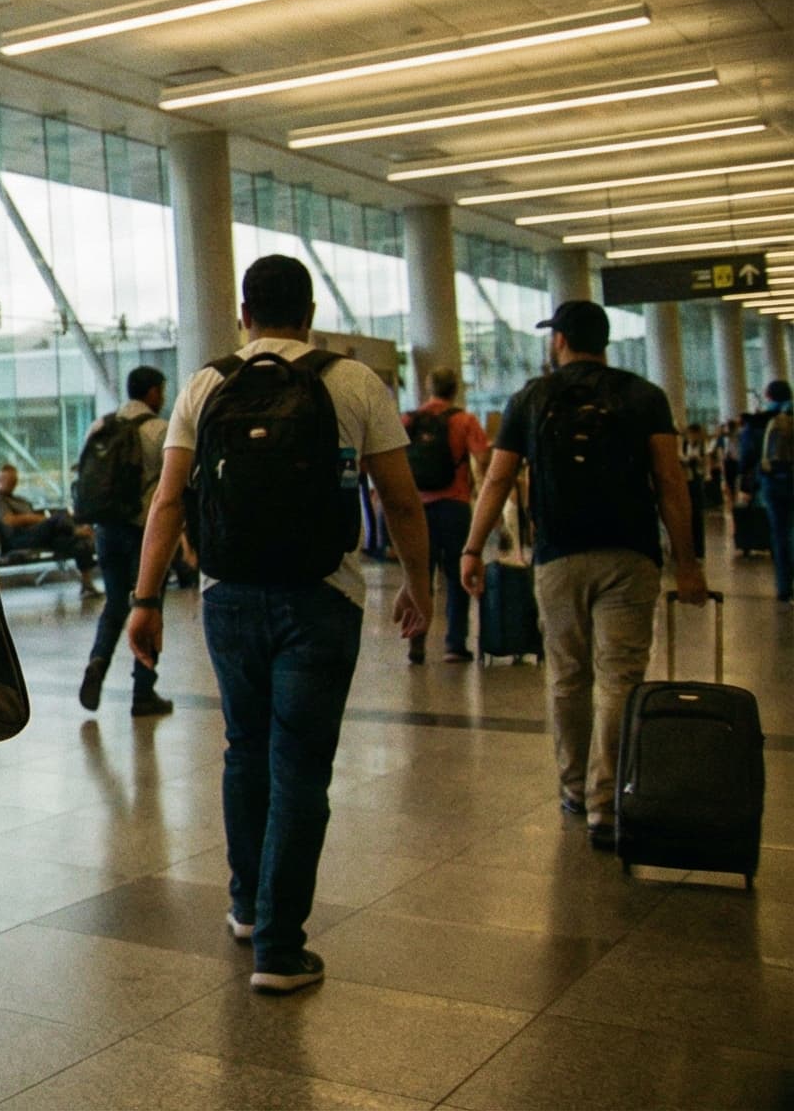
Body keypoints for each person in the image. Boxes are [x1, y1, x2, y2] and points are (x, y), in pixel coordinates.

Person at [129, 255, 428, 998]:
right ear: (310, 309)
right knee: (300, 767)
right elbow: (402, 500)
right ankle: (280, 946)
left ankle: (244, 905)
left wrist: (144, 600)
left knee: (245, 751)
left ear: (243, 311)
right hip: (322, 597)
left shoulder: (206, 383)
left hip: (230, 598)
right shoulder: (354, 381)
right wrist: (421, 586)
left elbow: (168, 503)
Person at [458, 300, 706, 846]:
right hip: (630, 555)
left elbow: (497, 481)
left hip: (559, 557)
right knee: (620, 676)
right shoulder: (644, 396)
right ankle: (606, 800)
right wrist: (687, 564)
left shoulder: (532, 397)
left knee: (569, 677)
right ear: (606, 341)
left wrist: (472, 549)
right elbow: (669, 482)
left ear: (561, 340)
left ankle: (573, 787)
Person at [76, 366, 172, 718]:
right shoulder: (160, 431)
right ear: (150, 393)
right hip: (144, 532)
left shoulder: (100, 426)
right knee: (148, 605)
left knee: (115, 602)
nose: (162, 397)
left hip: (106, 529)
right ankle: (143, 693)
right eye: (160, 390)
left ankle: (98, 663)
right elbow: (173, 490)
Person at [404, 368, 491, 664]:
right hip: (455, 506)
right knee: (457, 577)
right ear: (455, 389)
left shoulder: (410, 420)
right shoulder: (464, 420)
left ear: (429, 386)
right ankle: (455, 644)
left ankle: (416, 641)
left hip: (418, 510)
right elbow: (483, 458)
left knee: (419, 576)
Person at [0, 464, 98, 595]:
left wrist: (40, 520)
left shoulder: (20, 500)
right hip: (20, 538)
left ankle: (87, 584)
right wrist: (38, 519)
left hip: (39, 536)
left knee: (76, 543)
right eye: (7, 480)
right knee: (59, 515)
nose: (11, 484)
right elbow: (10, 520)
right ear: (0, 480)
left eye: (14, 481)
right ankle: (77, 531)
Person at [757, 380, 794, 601]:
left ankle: (784, 587)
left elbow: (750, 450)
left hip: (773, 481)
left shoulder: (763, 421)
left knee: (780, 533)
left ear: (769, 397)